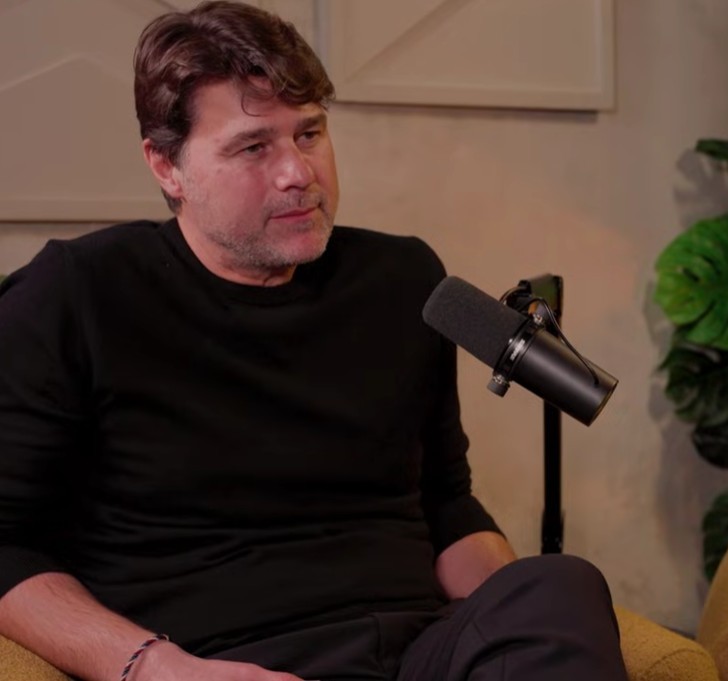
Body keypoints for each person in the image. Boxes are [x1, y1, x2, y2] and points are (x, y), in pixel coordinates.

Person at [0, 3, 627, 681]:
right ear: (166, 165)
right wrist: (159, 668)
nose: (298, 172)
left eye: (309, 133)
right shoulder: (78, 294)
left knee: (560, 582)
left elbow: (445, 500)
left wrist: (511, 611)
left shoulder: (403, 279)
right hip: (229, 661)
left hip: (418, 650)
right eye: (253, 146)